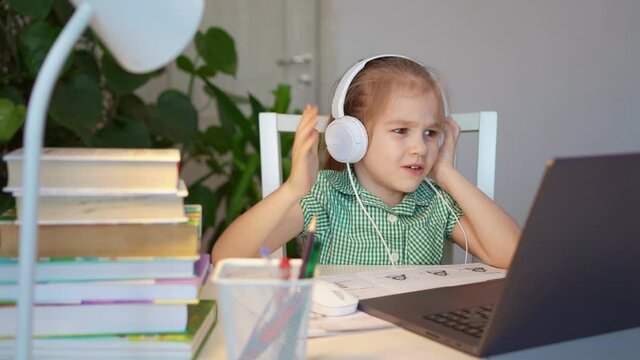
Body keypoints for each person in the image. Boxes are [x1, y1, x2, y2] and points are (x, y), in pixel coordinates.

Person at [212, 55, 520, 268]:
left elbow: (512, 255)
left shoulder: (435, 202)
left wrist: (447, 173)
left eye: (430, 132)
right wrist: (293, 189)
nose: (420, 147)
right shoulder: (324, 196)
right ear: (351, 137)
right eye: (401, 130)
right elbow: (227, 258)